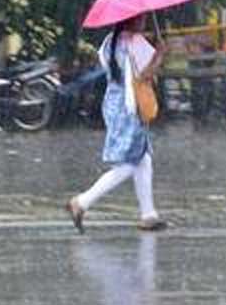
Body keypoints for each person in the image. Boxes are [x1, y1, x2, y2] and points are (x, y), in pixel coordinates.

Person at [66, 14, 168, 233]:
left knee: (143, 158)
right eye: (140, 18)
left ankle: (148, 214)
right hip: (131, 107)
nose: (143, 21)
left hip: (114, 104)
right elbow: (144, 76)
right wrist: (159, 55)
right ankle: (82, 202)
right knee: (129, 163)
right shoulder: (135, 42)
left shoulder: (109, 42)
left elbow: (114, 72)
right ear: (132, 20)